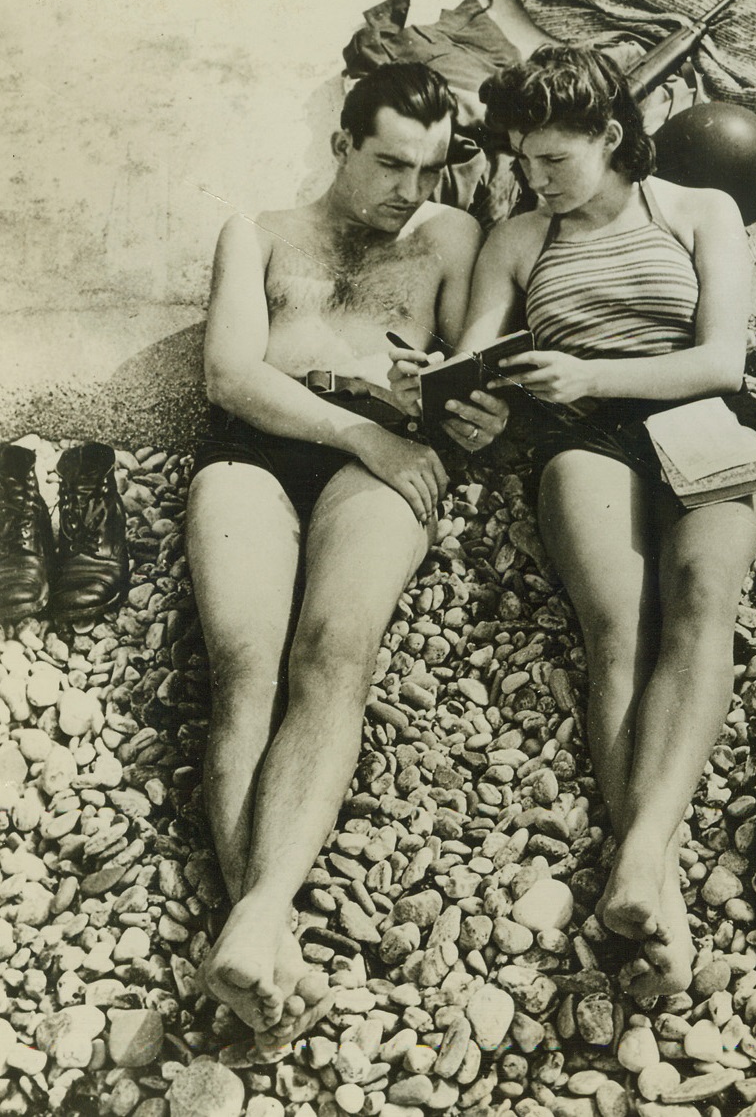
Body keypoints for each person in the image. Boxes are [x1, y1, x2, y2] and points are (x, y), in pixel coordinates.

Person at [392, 46, 756, 996]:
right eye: (523, 162)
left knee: (700, 601)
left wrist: (592, 372)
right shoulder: (520, 239)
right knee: (617, 632)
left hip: (696, 415)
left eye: (555, 161)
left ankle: (640, 857)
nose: (536, 181)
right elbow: (476, 354)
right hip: (580, 438)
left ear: (612, 137)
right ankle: (652, 880)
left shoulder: (698, 210)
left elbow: (721, 359)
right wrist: (449, 396)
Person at [185, 61, 505, 1042]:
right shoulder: (260, 233)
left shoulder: (452, 240)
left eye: (432, 168)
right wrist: (360, 427)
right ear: (340, 146)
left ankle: (253, 921)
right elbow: (232, 375)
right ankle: (267, 927)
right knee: (243, 666)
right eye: (388, 164)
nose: (409, 191)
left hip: (386, 461)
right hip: (262, 449)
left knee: (333, 652)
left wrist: (483, 415)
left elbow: (478, 369)